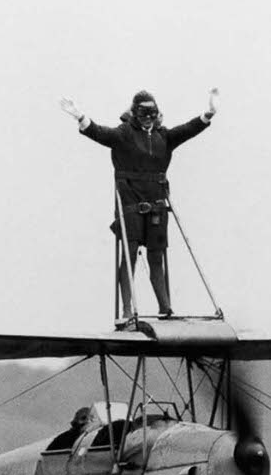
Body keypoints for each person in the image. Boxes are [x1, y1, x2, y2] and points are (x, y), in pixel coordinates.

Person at [59, 88, 219, 319]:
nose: (148, 118)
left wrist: (208, 114)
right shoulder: (124, 134)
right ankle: (127, 310)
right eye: (143, 113)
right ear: (134, 113)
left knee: (156, 256)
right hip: (130, 203)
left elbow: (187, 130)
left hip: (156, 205)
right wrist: (80, 116)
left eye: (152, 113)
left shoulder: (164, 137)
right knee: (130, 254)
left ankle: (165, 308)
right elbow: (99, 133)